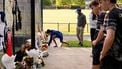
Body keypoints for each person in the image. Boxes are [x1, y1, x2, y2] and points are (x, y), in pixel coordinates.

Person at [99, 0, 122, 69]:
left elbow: (110, 37)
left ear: (108, 1)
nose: (100, 5)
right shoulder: (120, 12)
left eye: (101, 2)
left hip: (113, 56)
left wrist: (102, 53)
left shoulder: (112, 13)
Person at [89, 1, 106, 69]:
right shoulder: (100, 15)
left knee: (96, 65)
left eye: (92, 8)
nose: (92, 10)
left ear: (97, 6)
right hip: (101, 44)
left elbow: (102, 31)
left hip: (99, 45)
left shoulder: (102, 15)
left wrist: (96, 41)